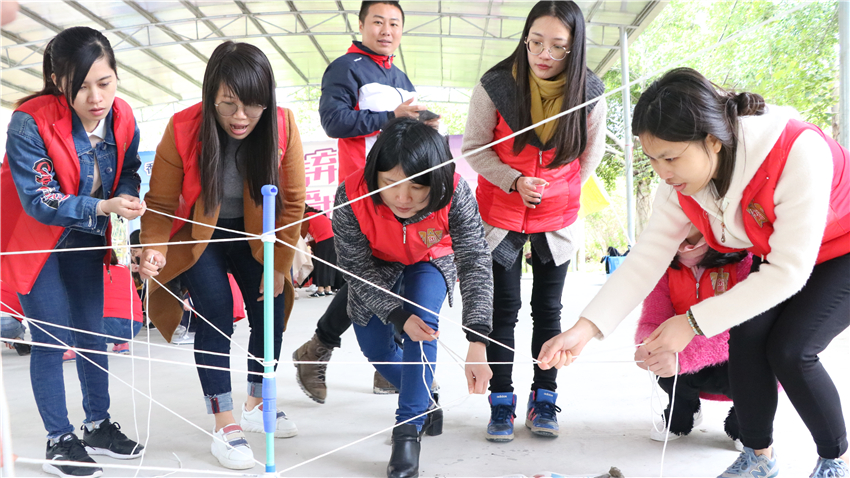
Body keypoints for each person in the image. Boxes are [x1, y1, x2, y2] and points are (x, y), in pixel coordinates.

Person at [538, 68, 850, 478]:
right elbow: (646, 258)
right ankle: (758, 456)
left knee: (791, 349)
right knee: (747, 340)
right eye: (652, 159)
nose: (662, 172)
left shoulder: (796, 150)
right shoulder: (680, 183)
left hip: (841, 250)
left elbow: (788, 272)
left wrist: (691, 323)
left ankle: (834, 460)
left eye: (670, 157)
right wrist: (583, 330)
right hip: (778, 254)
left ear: (712, 140)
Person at [138, 41, 306, 470]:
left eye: (253, 104)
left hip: (256, 235)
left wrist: (278, 266)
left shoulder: (283, 125)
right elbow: (160, 203)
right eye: (228, 103)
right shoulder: (182, 128)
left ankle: (256, 403)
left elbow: (292, 204)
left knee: (270, 309)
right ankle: (225, 423)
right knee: (215, 314)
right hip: (201, 235)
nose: (241, 116)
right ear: (210, 93)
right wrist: (154, 247)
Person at [0, 26, 146, 478]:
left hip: (86, 235)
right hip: (33, 240)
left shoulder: (123, 116)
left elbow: (129, 170)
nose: (96, 97)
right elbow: (39, 199)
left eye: (105, 82)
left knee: (91, 331)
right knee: (52, 337)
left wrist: (127, 198)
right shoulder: (29, 120)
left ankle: (97, 425)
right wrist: (102, 206)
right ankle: (59, 440)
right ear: (57, 80)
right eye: (81, 87)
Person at [461, 0, 606, 442]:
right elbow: (474, 147)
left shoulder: (590, 92)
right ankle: (501, 401)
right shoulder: (495, 85)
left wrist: (558, 192)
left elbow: (589, 156)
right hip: (500, 214)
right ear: (524, 39)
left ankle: (544, 396)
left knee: (548, 310)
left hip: (556, 219)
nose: (544, 54)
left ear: (575, 47)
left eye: (558, 46)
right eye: (536, 42)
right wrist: (513, 181)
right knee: (502, 310)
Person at [294, 0, 440, 403]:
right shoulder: (346, 68)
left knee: (396, 269)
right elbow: (333, 121)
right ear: (361, 25)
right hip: (364, 192)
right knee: (369, 274)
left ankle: (378, 362)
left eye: (394, 23)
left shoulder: (400, 75)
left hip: (402, 194)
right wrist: (391, 117)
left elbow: (402, 129)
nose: (386, 30)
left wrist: (423, 128)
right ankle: (319, 347)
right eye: (378, 21)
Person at [334, 117, 493, 477]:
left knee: (423, 325)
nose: (403, 198)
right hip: (375, 267)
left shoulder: (455, 190)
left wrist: (478, 340)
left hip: (431, 258)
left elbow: (475, 259)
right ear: (375, 174)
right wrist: (395, 314)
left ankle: (407, 431)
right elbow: (354, 267)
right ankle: (425, 397)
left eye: (418, 187)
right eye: (390, 184)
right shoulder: (350, 195)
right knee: (375, 349)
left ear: (436, 180)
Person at [635, 233, 750, 447]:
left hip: (738, 357)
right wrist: (647, 344)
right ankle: (684, 411)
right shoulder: (664, 263)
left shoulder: (745, 258)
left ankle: (748, 422)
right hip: (687, 357)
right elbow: (652, 319)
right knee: (662, 360)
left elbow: (746, 328)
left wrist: (684, 356)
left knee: (756, 371)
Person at [103, 252, 143, 354]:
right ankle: (122, 343)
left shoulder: (90, 270)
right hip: (135, 325)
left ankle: (71, 346)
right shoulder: (124, 268)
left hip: (105, 327)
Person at [300, 205, 337, 297]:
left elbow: (302, 234)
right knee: (329, 264)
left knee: (320, 265)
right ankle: (328, 289)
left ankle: (320, 290)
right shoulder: (317, 215)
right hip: (334, 239)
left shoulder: (306, 216)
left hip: (324, 240)